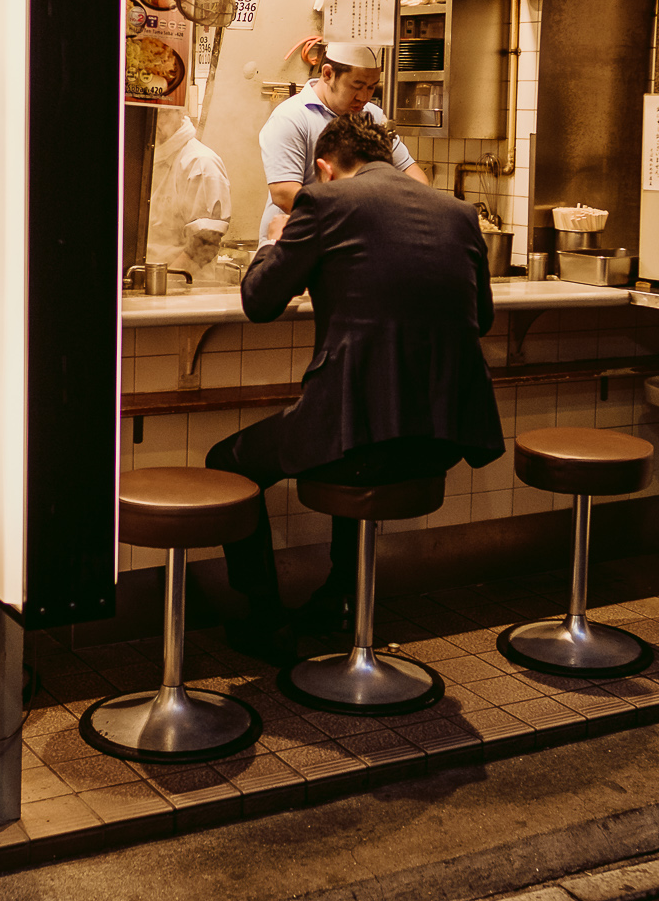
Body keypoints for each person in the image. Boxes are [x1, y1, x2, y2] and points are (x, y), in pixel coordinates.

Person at [206, 113, 505, 662]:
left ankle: (266, 620)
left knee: (229, 462)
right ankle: (340, 597)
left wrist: (274, 243)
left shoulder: (323, 204)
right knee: (357, 429)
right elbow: (481, 319)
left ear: (323, 168)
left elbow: (260, 302)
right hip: (442, 440)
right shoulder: (460, 214)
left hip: (362, 442)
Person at [257, 41, 428, 243]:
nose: (364, 97)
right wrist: (360, 218)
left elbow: (417, 179)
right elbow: (284, 194)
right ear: (328, 74)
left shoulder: (372, 116)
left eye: (372, 87)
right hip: (301, 244)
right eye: (357, 86)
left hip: (355, 246)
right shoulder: (291, 118)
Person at [144, 107, 232, 282]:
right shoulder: (147, 156)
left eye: (163, 113)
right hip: (148, 284)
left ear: (180, 112)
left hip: (186, 289)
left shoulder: (200, 163)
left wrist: (164, 282)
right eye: (151, 113)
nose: (155, 121)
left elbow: (206, 243)